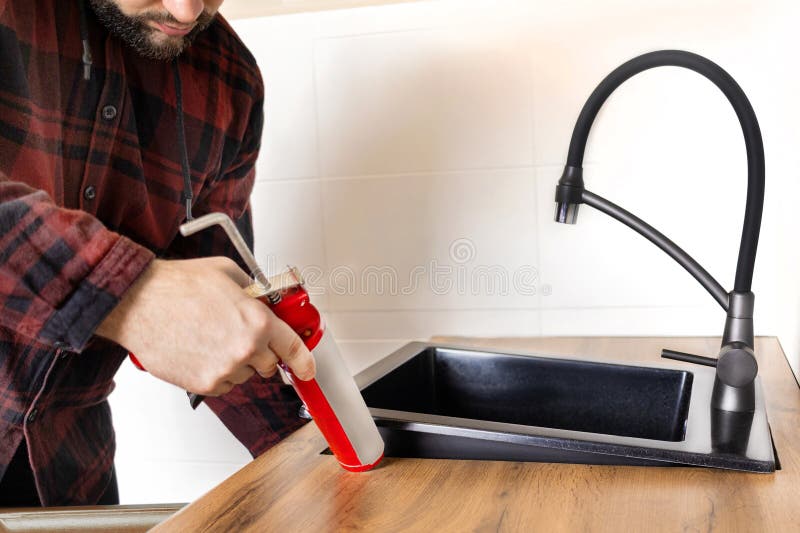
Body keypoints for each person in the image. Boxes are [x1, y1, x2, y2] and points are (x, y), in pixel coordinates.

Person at [0, 0, 316, 507]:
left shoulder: (231, 81)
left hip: (70, 479)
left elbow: (224, 320)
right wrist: (128, 296)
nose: (187, 11)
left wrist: (318, 453)